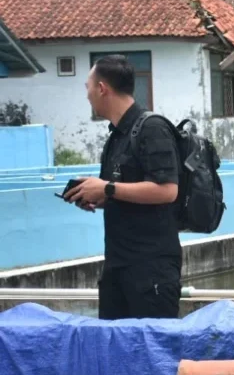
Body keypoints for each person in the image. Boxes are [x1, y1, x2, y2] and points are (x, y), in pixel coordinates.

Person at [64, 55, 182, 320]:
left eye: (88, 88)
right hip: (117, 269)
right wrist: (94, 195)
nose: (88, 96)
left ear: (103, 88)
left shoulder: (152, 129)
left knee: (153, 356)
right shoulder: (116, 136)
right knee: (114, 354)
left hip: (151, 271)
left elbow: (167, 190)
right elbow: (118, 189)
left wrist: (107, 189)